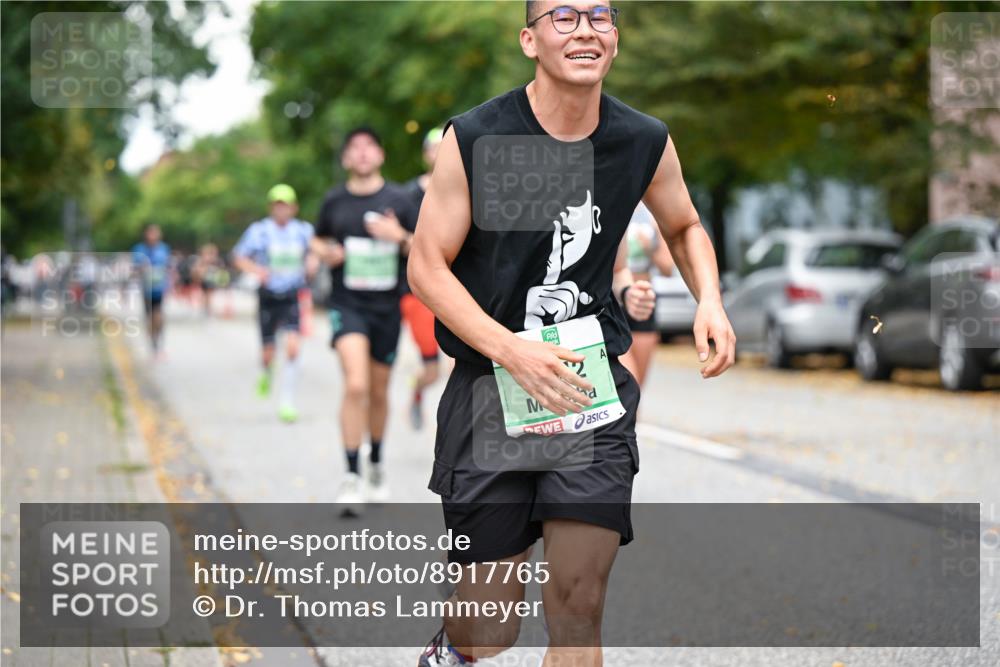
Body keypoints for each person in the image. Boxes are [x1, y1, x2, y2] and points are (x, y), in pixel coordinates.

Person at [408, 2, 736, 664]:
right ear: (530, 40)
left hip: (589, 392)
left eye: (600, 16)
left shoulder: (641, 139)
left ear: (614, 40)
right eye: (563, 16)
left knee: (579, 606)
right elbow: (425, 266)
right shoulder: (478, 137)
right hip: (490, 390)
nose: (586, 28)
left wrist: (711, 300)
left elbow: (683, 223)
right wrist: (509, 348)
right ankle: (453, 649)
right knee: (489, 628)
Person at [311, 127, 418, 511]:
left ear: (380, 155)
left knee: (377, 391)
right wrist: (325, 252)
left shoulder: (400, 199)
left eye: (369, 146)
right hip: (347, 305)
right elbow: (318, 238)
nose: (361, 153)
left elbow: (425, 247)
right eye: (353, 148)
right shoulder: (334, 201)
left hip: (387, 309)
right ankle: (351, 475)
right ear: (345, 159)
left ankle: (375, 463)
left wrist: (398, 236)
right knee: (355, 385)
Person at [232, 184, 315, 423]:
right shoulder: (259, 231)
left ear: (294, 207)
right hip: (268, 296)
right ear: (271, 208)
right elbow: (239, 257)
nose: (282, 210)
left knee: (292, 348)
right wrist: (256, 270)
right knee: (268, 353)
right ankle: (266, 372)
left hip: (291, 295)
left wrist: (312, 262)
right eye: (277, 205)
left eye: (286, 205)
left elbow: (314, 252)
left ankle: (287, 401)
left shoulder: (303, 231)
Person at [400, 127, 446, 429]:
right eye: (434, 147)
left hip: (463, 289)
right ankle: (417, 391)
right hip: (420, 293)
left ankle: (457, 434)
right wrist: (406, 238)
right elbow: (398, 244)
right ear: (426, 154)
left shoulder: (472, 189)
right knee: (432, 370)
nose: (440, 153)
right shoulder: (406, 197)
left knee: (459, 366)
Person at [618, 201, 675, 387]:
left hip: (644, 300)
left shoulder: (650, 215)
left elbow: (667, 268)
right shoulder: (612, 204)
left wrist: (649, 247)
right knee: (626, 378)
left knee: (636, 387)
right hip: (615, 301)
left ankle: (633, 415)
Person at [132, 224, 171, 358]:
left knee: (158, 315)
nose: (153, 236)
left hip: (160, 288)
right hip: (146, 289)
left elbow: (168, 266)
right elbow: (136, 267)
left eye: (155, 233)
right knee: (149, 318)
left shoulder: (164, 248)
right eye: (150, 233)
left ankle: (158, 342)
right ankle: (152, 343)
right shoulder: (139, 249)